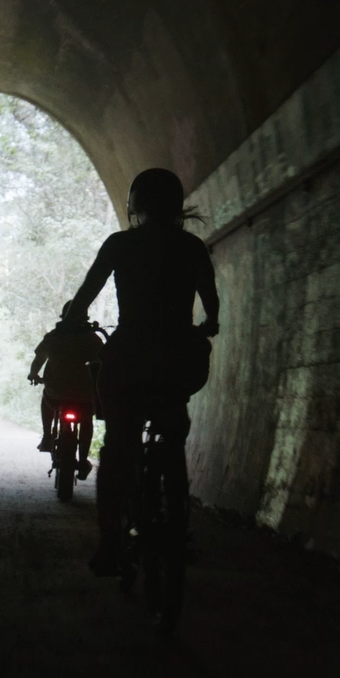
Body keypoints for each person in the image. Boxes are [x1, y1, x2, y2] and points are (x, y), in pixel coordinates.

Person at [63, 168, 220, 575]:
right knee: (173, 427)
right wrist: (209, 325)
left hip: (129, 357)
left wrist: (73, 319)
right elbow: (212, 304)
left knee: (118, 446)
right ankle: (178, 521)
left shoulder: (120, 245)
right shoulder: (192, 247)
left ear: (135, 204)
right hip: (179, 358)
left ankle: (110, 542)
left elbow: (84, 297)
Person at [28, 310, 105, 475]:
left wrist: (33, 374)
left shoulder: (53, 337)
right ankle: (83, 460)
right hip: (84, 395)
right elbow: (103, 362)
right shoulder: (92, 339)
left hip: (56, 392)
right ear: (85, 320)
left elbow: (38, 360)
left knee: (46, 396)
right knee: (86, 421)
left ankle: (47, 437)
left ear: (64, 319)